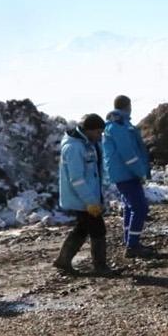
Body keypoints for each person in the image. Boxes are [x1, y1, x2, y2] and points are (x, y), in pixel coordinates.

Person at [54, 114, 120, 275]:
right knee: (98, 230)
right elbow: (77, 179)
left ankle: (63, 261)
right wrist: (90, 201)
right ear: (88, 130)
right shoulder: (74, 148)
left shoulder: (88, 144)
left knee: (82, 229)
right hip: (81, 199)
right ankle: (100, 267)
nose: (100, 136)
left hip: (87, 197)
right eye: (98, 132)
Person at [103, 95, 153, 259]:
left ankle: (129, 240)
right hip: (126, 173)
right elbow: (128, 153)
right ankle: (132, 245)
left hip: (123, 173)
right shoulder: (119, 126)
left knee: (130, 207)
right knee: (140, 207)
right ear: (128, 106)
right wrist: (140, 171)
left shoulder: (118, 124)